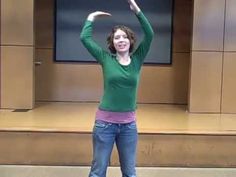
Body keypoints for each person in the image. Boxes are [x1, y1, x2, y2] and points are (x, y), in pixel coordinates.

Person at [80, 0, 154, 176]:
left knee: (129, 172)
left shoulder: (137, 60)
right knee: (98, 172)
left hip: (129, 126)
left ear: (130, 40)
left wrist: (136, 10)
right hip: (104, 125)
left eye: (124, 37)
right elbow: (85, 38)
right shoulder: (106, 59)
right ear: (112, 43)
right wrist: (91, 18)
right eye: (117, 37)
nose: (121, 40)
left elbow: (149, 34)